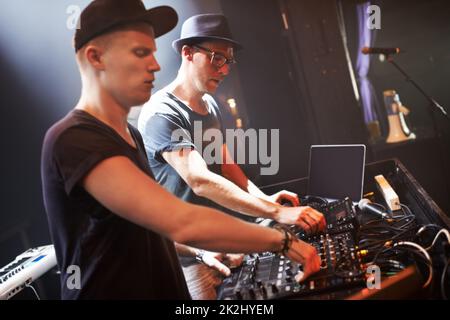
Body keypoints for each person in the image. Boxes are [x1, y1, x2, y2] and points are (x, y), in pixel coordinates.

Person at [41, 0, 321, 300]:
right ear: (96, 57)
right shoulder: (74, 138)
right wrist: (282, 240)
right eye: (140, 52)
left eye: (153, 52)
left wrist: (199, 250)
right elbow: (182, 218)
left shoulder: (129, 135)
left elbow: (151, 226)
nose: (156, 64)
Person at [137, 14, 326, 274]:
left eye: (228, 61)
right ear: (188, 52)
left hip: (228, 241)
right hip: (195, 258)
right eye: (217, 58)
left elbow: (228, 168)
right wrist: (277, 213)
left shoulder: (210, 104)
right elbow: (200, 181)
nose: (225, 69)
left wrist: (264, 199)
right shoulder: (162, 113)